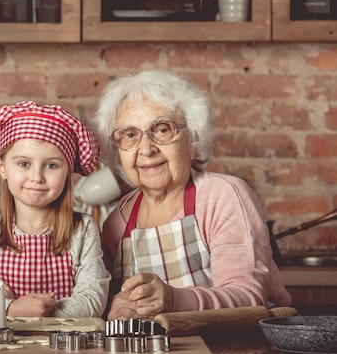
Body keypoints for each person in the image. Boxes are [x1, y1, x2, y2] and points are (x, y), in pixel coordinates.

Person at [93, 70, 291, 320]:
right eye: (130, 135)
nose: (146, 149)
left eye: (162, 129)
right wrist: (113, 306)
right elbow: (106, 301)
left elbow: (249, 299)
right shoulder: (117, 222)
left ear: (192, 139)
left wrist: (175, 300)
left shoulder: (223, 196)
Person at [0, 101, 111, 318]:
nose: (37, 177)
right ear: (2, 166)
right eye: (24, 164)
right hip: (0, 350)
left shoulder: (83, 230)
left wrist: (10, 307)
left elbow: (92, 301)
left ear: (68, 171)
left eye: (51, 165)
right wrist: (12, 309)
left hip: (65, 350)